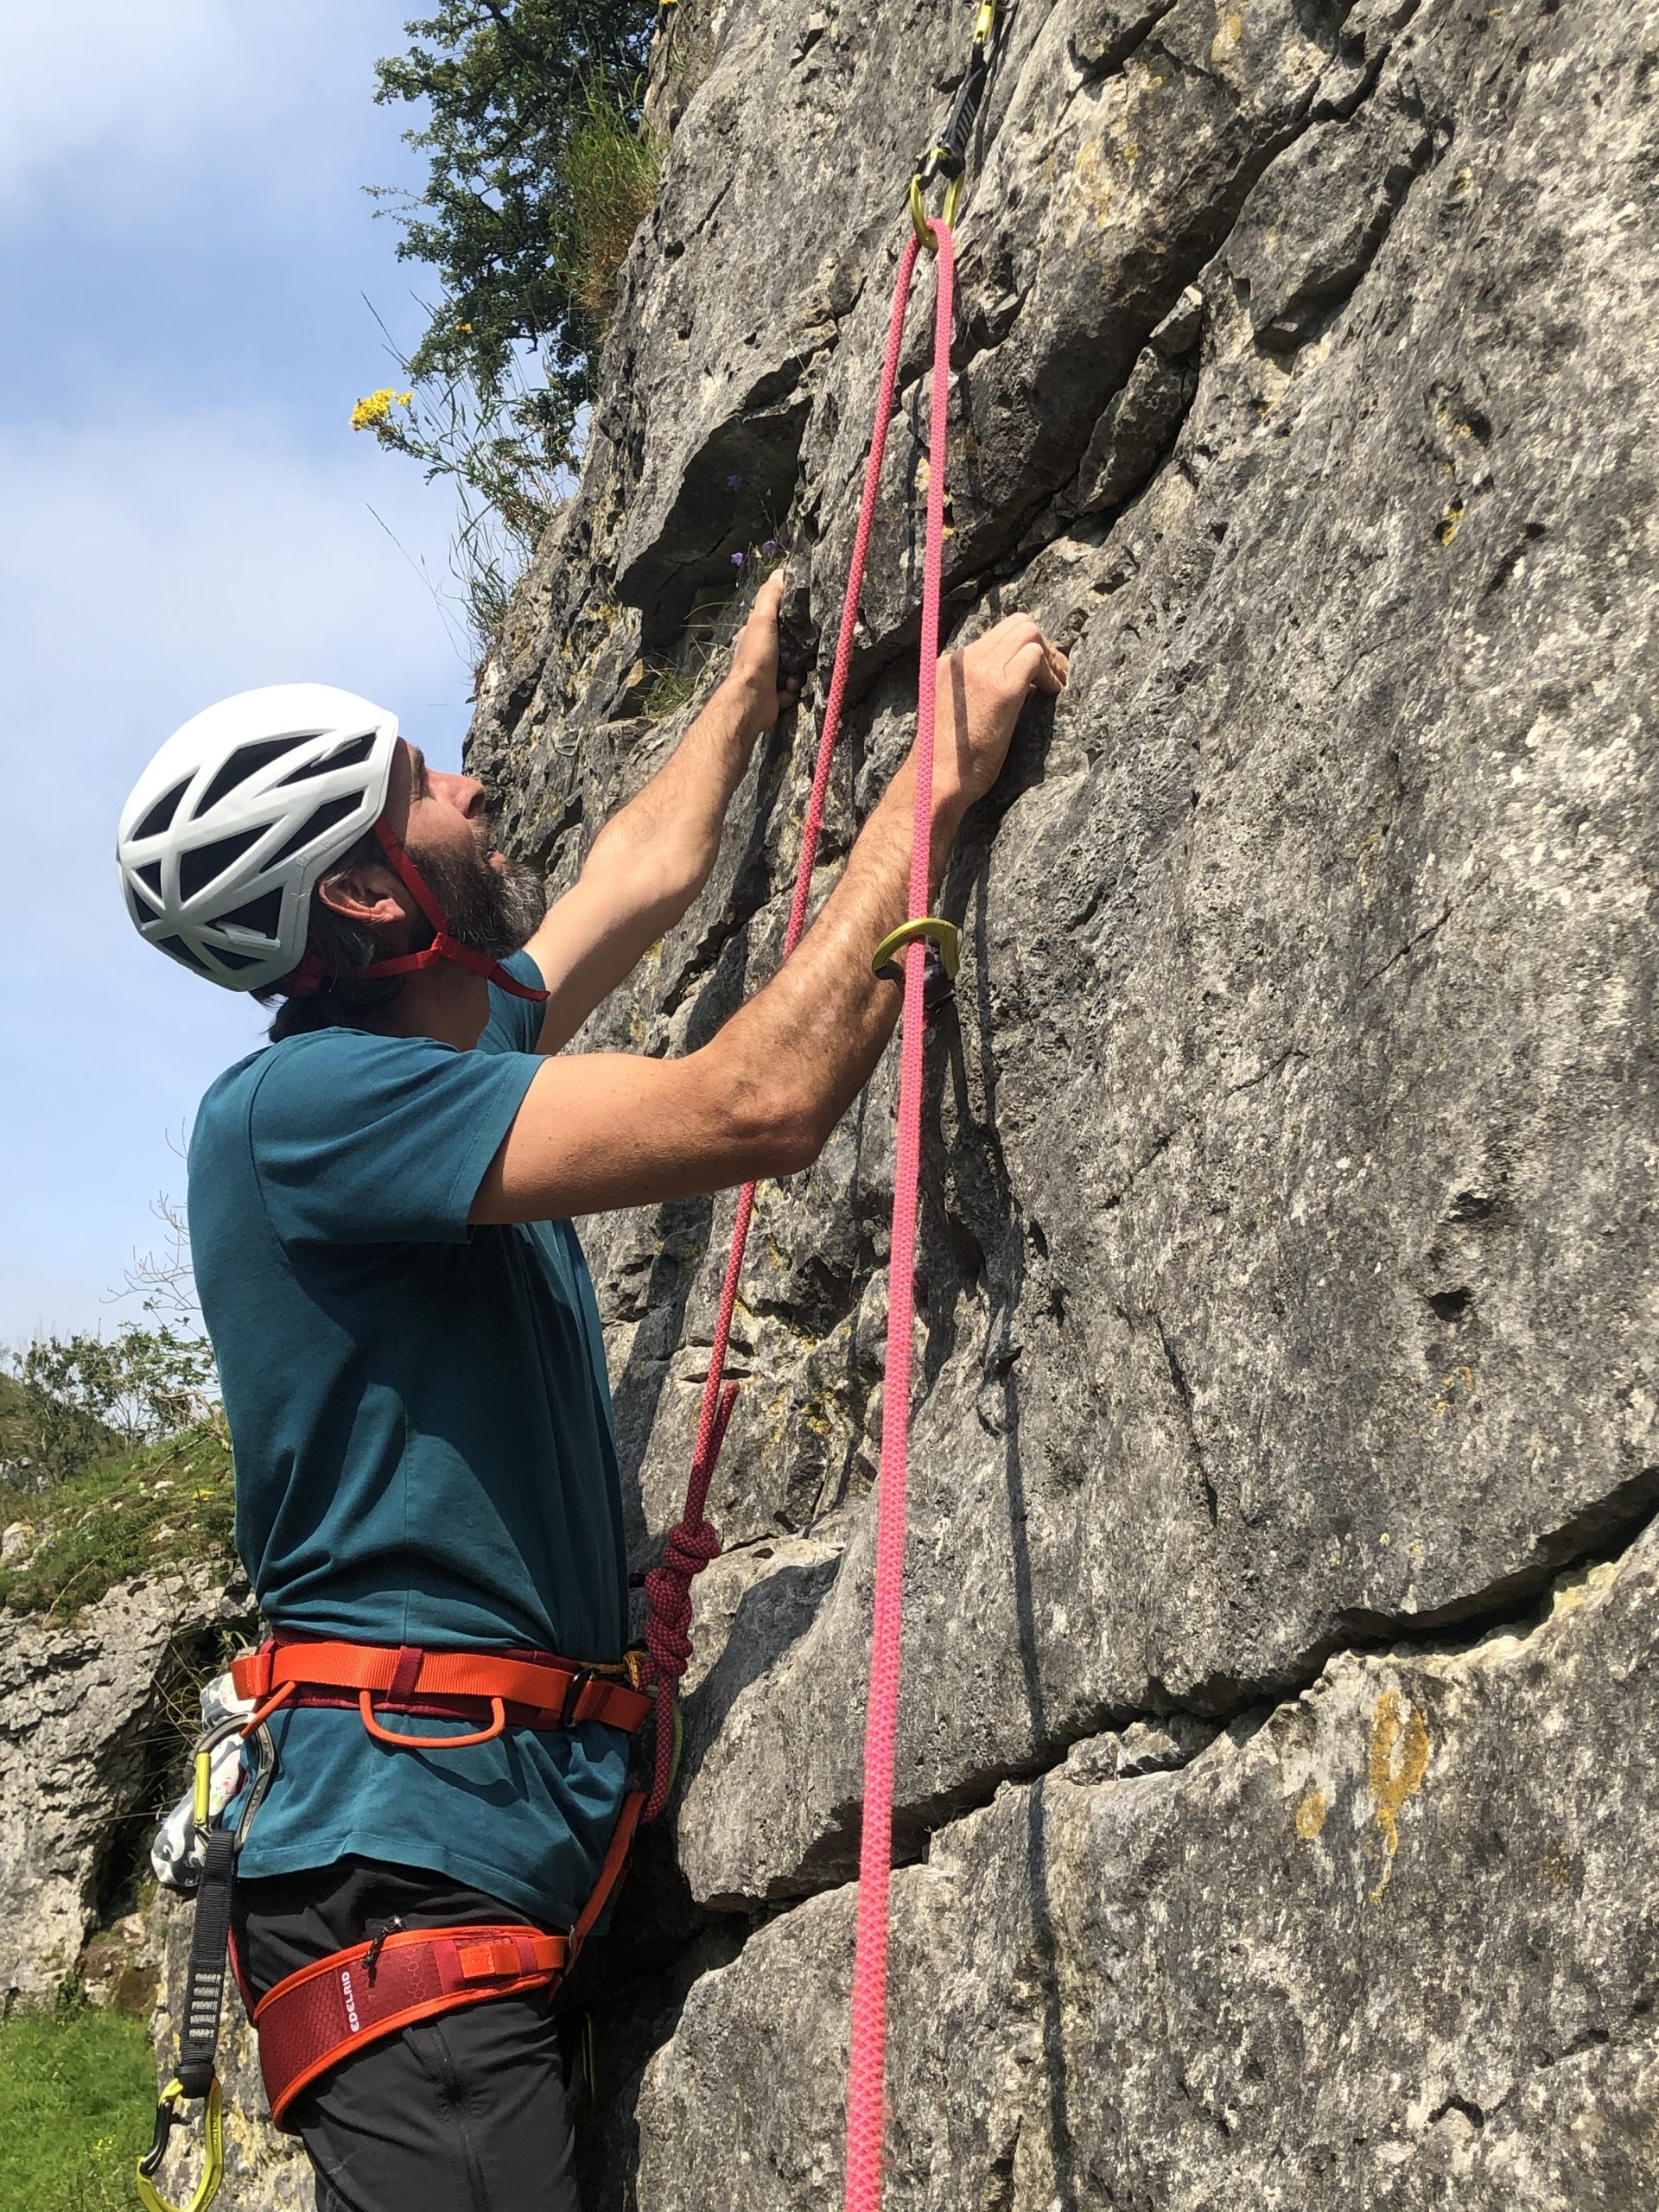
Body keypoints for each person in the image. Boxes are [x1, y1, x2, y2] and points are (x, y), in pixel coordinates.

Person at [117, 572, 1067, 2211]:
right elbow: (761, 1103)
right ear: (358, 892)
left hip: (479, 1839)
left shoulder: (438, 1063)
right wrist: (930, 793)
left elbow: (638, 879)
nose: (473, 782)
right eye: (422, 779)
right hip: (406, 1881)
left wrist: (755, 684)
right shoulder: (307, 1112)